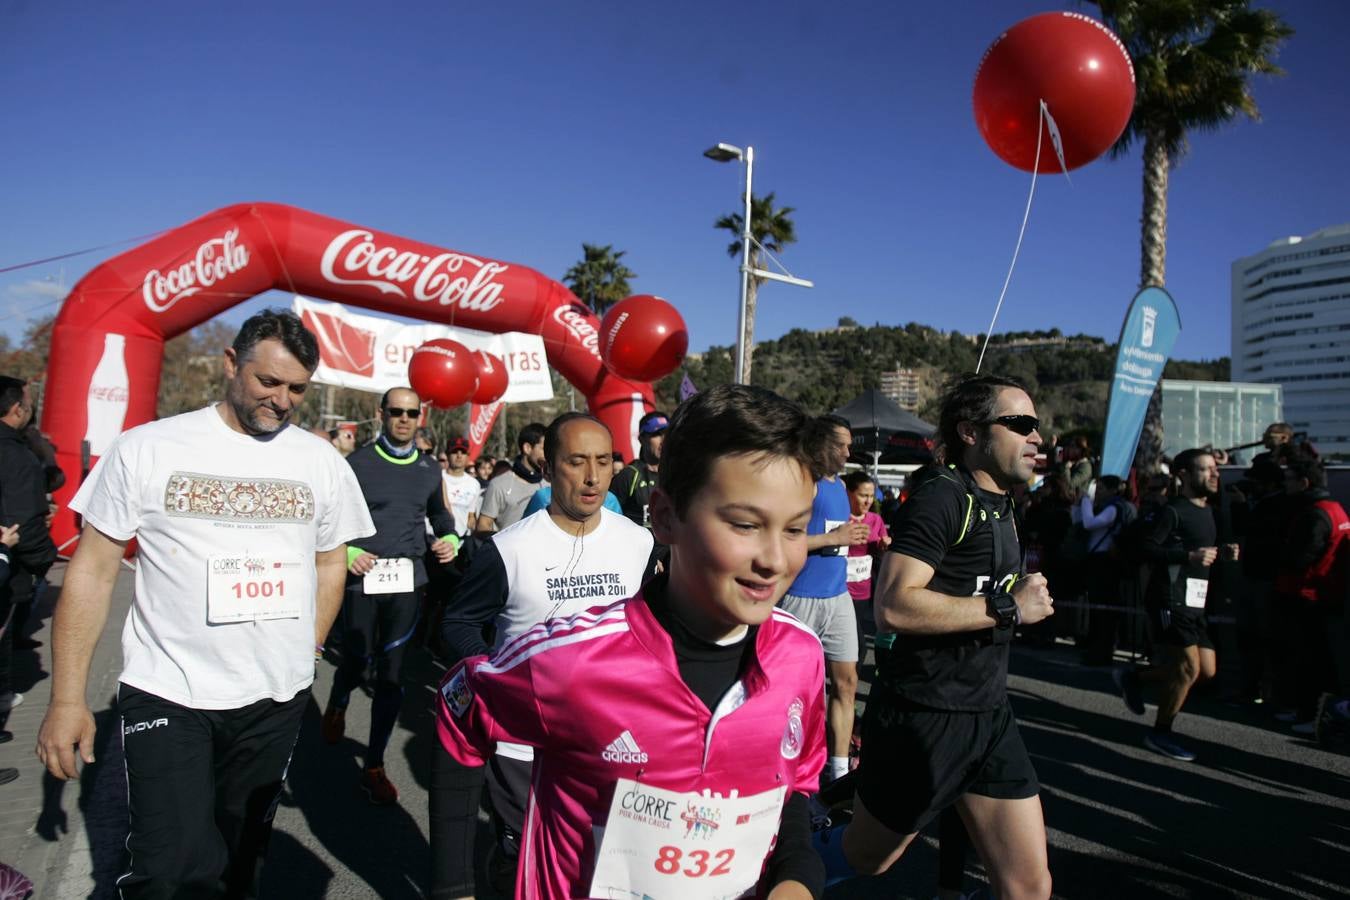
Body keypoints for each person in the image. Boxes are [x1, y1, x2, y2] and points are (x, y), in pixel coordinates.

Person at [431, 384, 827, 900]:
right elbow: (459, 713)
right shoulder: (568, 663)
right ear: (665, 517)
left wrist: (796, 877)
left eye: (795, 529)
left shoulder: (801, 656)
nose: (775, 560)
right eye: (746, 525)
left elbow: (791, 784)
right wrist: (452, 886)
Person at [35, 309, 374, 899]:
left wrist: (308, 651)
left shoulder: (320, 462)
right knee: (167, 871)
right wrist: (68, 698)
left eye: (297, 388)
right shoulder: (147, 448)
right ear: (229, 365)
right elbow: (91, 570)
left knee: (240, 862)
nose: (282, 400)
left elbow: (329, 563)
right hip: (170, 689)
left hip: (274, 697)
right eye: (268, 382)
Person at [836, 373, 1054, 900]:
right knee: (868, 859)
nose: (1036, 437)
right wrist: (1008, 606)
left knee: (1029, 887)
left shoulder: (1002, 503)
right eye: (1020, 424)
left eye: (1037, 426)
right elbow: (893, 605)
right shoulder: (942, 496)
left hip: (989, 715)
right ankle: (794, 837)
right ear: (971, 432)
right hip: (925, 716)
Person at [433, 412, 656, 895]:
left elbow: (652, 629)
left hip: (616, 740)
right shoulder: (509, 549)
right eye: (577, 462)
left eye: (602, 461)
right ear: (550, 468)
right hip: (524, 748)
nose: (593, 476)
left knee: (598, 865)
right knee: (521, 859)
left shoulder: (639, 543)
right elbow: (458, 623)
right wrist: (497, 677)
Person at [320, 386, 457, 804]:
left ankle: (374, 764)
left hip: (407, 581)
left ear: (421, 417)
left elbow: (439, 513)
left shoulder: (430, 469)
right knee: (358, 663)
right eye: (395, 411)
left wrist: (450, 537)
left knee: (393, 673)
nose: (403, 419)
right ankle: (339, 700)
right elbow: (331, 518)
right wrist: (352, 551)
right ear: (381, 414)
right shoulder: (357, 464)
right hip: (363, 579)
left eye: (411, 413)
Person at [1116, 448, 1235, 762]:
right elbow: (1146, 548)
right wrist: (1188, 556)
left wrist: (1222, 553)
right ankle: (1161, 733)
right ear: (1183, 475)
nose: (1214, 474)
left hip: (1197, 602)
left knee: (1206, 671)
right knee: (1188, 668)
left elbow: (1204, 547)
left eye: (1215, 469)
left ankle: (1134, 678)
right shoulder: (1173, 511)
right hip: (1170, 599)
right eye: (1205, 469)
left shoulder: (1210, 510)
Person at [1271, 456, 1348, 732]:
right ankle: (1312, 713)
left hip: (1308, 596)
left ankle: (1309, 715)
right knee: (1318, 660)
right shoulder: (1335, 509)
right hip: (1324, 596)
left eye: (1289, 479)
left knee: (1308, 660)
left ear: (1304, 483)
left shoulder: (1315, 514)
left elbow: (1300, 558)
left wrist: (1275, 555)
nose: (1285, 485)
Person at [0, 376, 59, 714]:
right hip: (10, 564)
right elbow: (23, 517)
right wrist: (42, 559)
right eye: (27, 402)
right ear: (15, 409)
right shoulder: (15, 455)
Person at [1078, 475, 1136, 665]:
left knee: (1104, 609)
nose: (1099, 493)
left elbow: (1089, 523)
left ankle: (1102, 650)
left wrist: (1086, 500)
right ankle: (1097, 646)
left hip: (1105, 562)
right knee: (1100, 607)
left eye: (1101, 489)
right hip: (1103, 561)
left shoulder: (1113, 507)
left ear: (1113, 490)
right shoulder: (1116, 506)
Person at [843, 470, 890, 655]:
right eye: (863, 495)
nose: (868, 501)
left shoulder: (875, 519)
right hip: (841, 589)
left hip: (864, 589)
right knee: (857, 646)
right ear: (849, 493)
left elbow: (883, 546)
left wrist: (884, 545)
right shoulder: (842, 517)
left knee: (855, 634)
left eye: (871, 496)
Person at [476, 424, 546, 535]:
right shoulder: (499, 484)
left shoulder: (551, 483)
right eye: (543, 449)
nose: (547, 454)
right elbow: (483, 525)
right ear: (527, 448)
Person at [611, 410, 667, 528]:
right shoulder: (629, 475)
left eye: (667, 433)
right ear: (642, 439)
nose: (664, 440)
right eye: (656, 434)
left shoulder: (678, 473)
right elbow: (607, 516)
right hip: (641, 545)